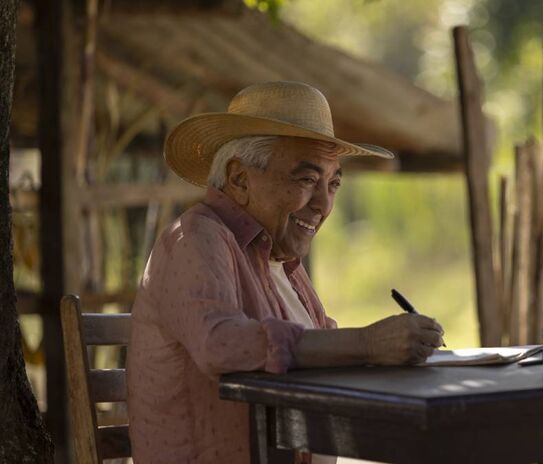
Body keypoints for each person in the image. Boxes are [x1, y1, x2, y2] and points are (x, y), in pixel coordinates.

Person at [126, 81, 445, 464]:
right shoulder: (196, 237)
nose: (324, 205)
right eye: (307, 180)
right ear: (239, 179)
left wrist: (392, 347)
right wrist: (367, 343)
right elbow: (219, 344)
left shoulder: (280, 259)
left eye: (334, 184)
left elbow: (322, 350)